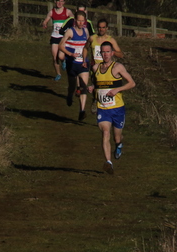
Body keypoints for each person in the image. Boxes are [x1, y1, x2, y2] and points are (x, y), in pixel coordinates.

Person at [87, 41, 135, 175]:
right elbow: (96, 83)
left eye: (108, 52)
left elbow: (132, 83)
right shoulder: (96, 68)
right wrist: (92, 87)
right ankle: (108, 162)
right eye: (103, 52)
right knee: (105, 133)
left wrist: (117, 89)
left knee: (116, 137)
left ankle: (119, 145)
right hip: (102, 108)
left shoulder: (118, 67)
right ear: (100, 53)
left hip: (117, 109)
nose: (105, 54)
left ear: (112, 53)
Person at [83, 18, 124, 114]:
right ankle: (96, 100)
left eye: (103, 27)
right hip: (95, 67)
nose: (101, 29)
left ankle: (105, 105)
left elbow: (121, 54)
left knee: (104, 87)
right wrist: (84, 60)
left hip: (107, 69)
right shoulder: (92, 38)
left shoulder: (111, 40)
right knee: (96, 85)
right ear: (97, 28)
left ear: (107, 28)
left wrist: (112, 52)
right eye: (99, 27)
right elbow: (85, 48)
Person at [59, 11, 90, 121]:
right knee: (72, 86)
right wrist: (70, 54)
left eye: (83, 20)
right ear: (75, 21)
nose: (81, 23)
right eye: (79, 20)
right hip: (72, 63)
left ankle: (82, 110)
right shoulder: (70, 32)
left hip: (83, 63)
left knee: (83, 87)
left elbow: (87, 46)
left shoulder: (86, 31)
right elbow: (61, 46)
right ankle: (69, 95)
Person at [42, 0, 73, 81]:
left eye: (62, 1)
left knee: (61, 56)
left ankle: (64, 61)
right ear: (55, 1)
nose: (59, 3)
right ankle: (58, 74)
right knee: (55, 57)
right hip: (54, 37)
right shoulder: (51, 12)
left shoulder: (67, 12)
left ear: (64, 2)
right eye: (58, 1)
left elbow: (74, 20)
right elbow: (45, 21)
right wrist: (44, 24)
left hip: (63, 38)